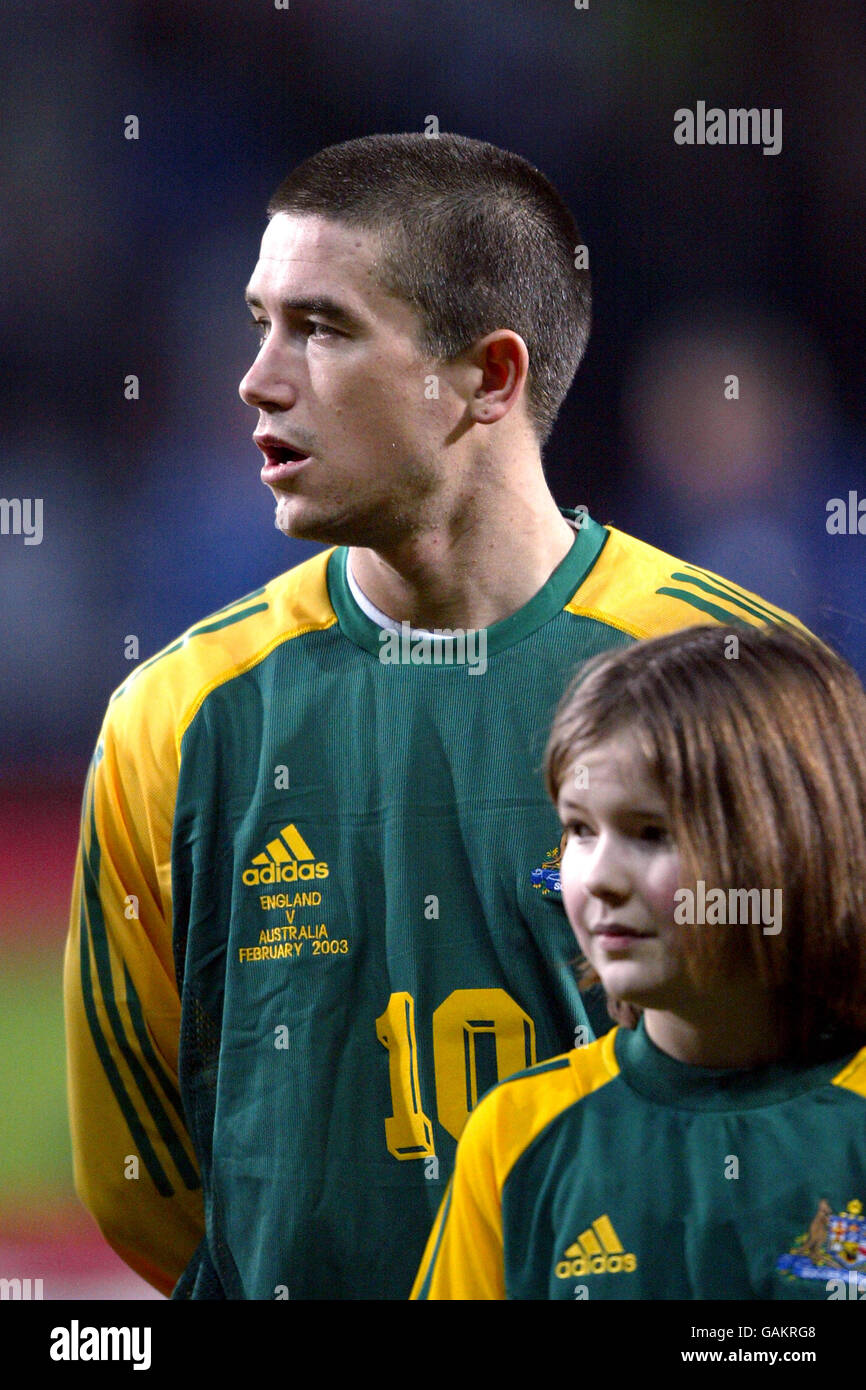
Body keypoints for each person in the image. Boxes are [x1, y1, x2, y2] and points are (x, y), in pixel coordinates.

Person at [64, 133, 808, 1301]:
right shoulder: (169, 717)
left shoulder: (737, 682)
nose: (257, 378)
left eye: (320, 327)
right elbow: (141, 1181)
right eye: (258, 321)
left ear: (486, 379)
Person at [412, 624, 866, 1300]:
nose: (597, 879)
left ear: (795, 840)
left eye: (652, 833)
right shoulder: (516, 1135)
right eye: (579, 829)